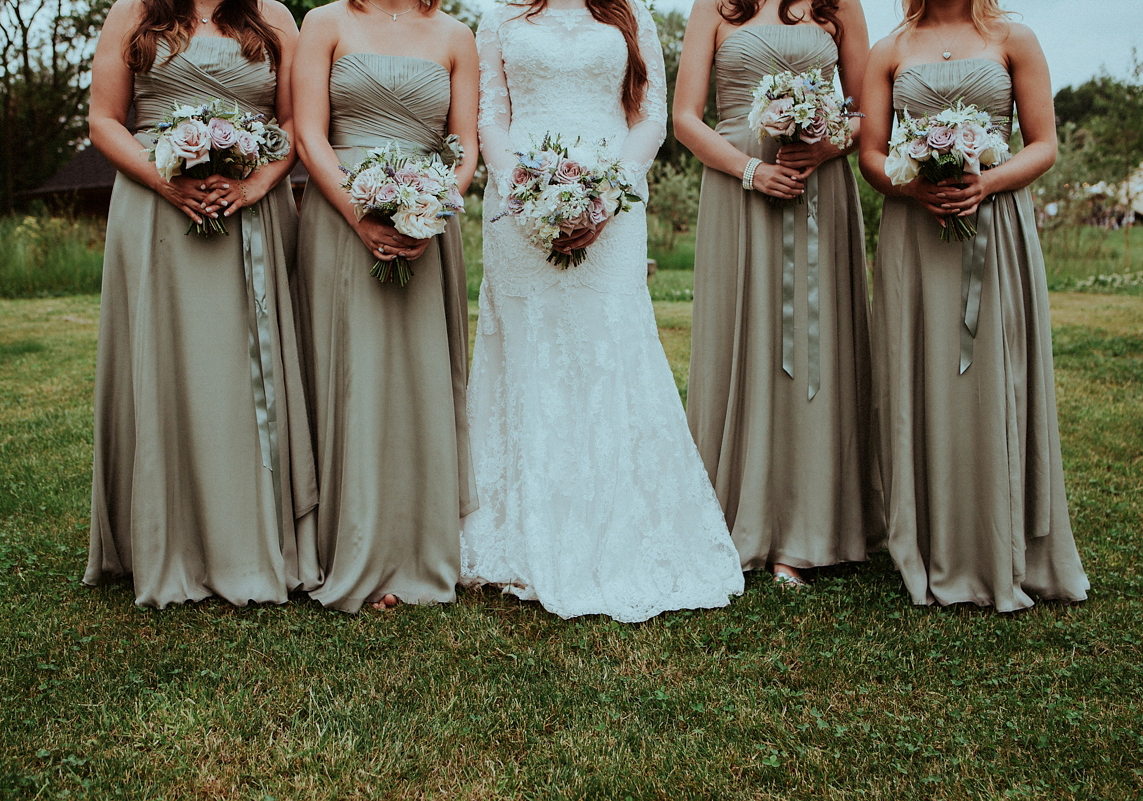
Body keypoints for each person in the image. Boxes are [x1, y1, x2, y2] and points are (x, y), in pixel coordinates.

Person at [461, 0, 746, 623]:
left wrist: (607, 192)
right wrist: (526, 193)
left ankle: (616, 530)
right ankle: (522, 530)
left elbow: (647, 119)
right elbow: (491, 116)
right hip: (521, 206)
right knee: (530, 350)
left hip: (613, 201)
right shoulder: (501, 18)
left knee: (608, 345)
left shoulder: (630, 14)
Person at [84, 0, 319, 607]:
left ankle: (256, 539)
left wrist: (254, 185)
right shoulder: (132, 11)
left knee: (244, 378)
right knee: (169, 365)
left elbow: (295, 124)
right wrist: (166, 181)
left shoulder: (274, 16)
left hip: (254, 211)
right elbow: (104, 120)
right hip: (155, 208)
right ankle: (168, 540)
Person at [859, 0, 1088, 611]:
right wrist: (912, 184)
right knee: (922, 376)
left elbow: (1043, 145)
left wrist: (985, 182)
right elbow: (871, 155)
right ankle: (931, 543)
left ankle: (1002, 545)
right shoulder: (890, 48)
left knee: (995, 378)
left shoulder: (1015, 37)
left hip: (996, 228)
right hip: (915, 232)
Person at [674, 0, 882, 588]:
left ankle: (810, 529)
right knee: (743, 340)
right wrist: (750, 170)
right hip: (738, 192)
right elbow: (685, 119)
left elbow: (869, 113)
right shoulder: (712, 7)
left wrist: (824, 145)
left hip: (820, 189)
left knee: (818, 352)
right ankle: (732, 513)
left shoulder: (839, 5)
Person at [292, 0, 479, 612]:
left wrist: (430, 211)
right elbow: (307, 134)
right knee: (351, 377)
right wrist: (359, 213)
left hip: (428, 225)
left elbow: (466, 146)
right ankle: (351, 549)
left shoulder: (456, 34)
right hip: (340, 219)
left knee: (420, 380)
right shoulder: (323, 22)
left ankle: (419, 549)